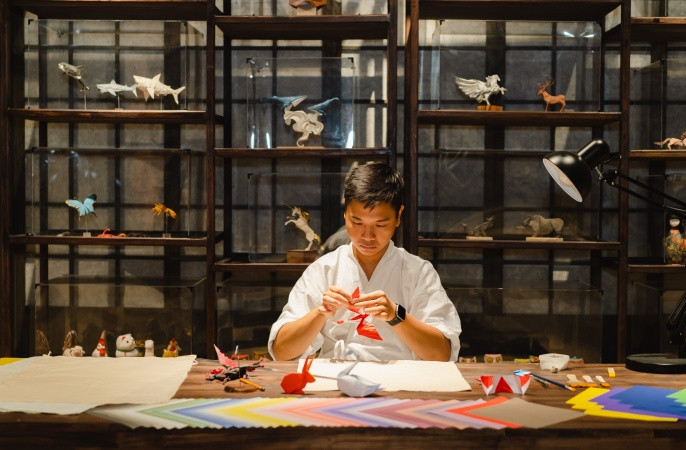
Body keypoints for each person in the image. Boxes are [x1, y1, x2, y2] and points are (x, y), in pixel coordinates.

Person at [268, 162, 461, 361]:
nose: (368, 236)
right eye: (357, 222)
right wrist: (319, 313)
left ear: (398, 216)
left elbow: (442, 354)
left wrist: (396, 315)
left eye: (380, 224)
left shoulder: (418, 272)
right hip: (335, 376)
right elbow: (281, 351)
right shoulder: (324, 270)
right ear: (345, 213)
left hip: (400, 377)